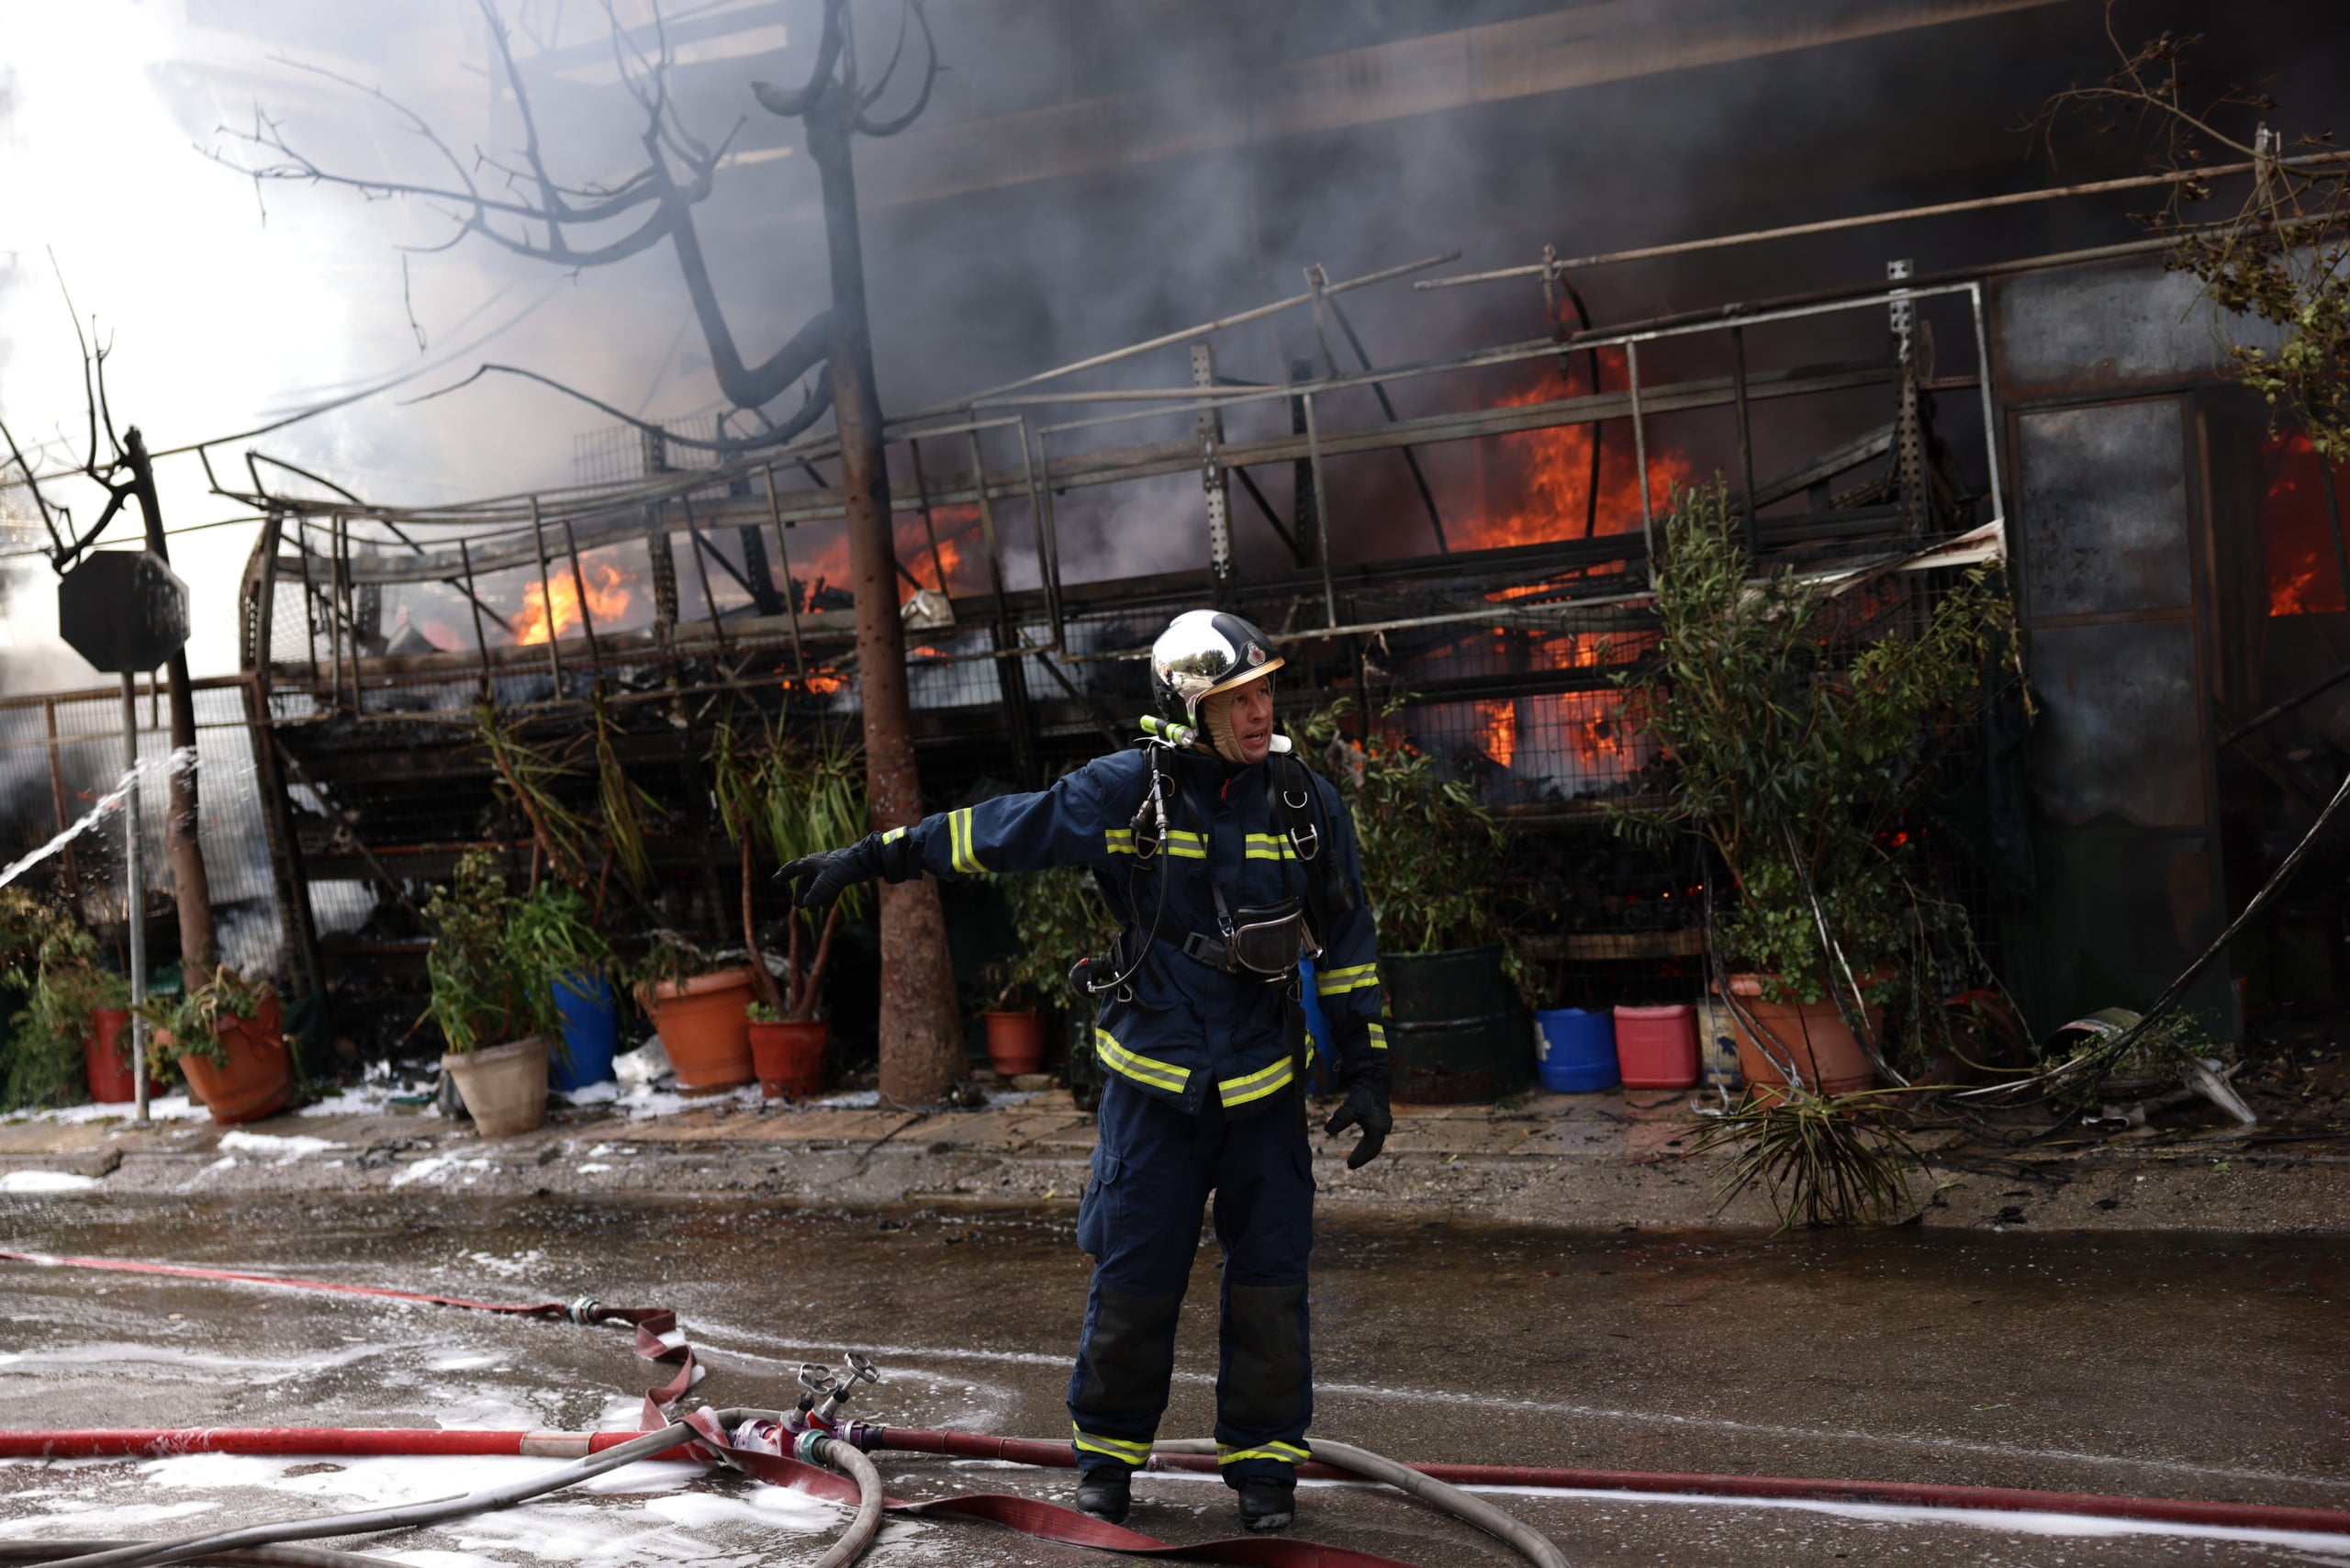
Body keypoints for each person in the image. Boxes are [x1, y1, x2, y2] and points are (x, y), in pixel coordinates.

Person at [778, 609, 1393, 1535]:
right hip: (1154, 1088)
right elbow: (1000, 831)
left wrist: (1368, 1065)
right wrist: (874, 857)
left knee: (1270, 1284)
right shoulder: (1123, 793)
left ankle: (1264, 1474)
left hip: (1264, 1092)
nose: (1261, 709)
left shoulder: (1303, 803)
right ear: (1188, 709)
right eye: (1238, 696)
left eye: (1266, 690)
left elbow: (1345, 936)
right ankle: (1106, 1462)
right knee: (1136, 1278)